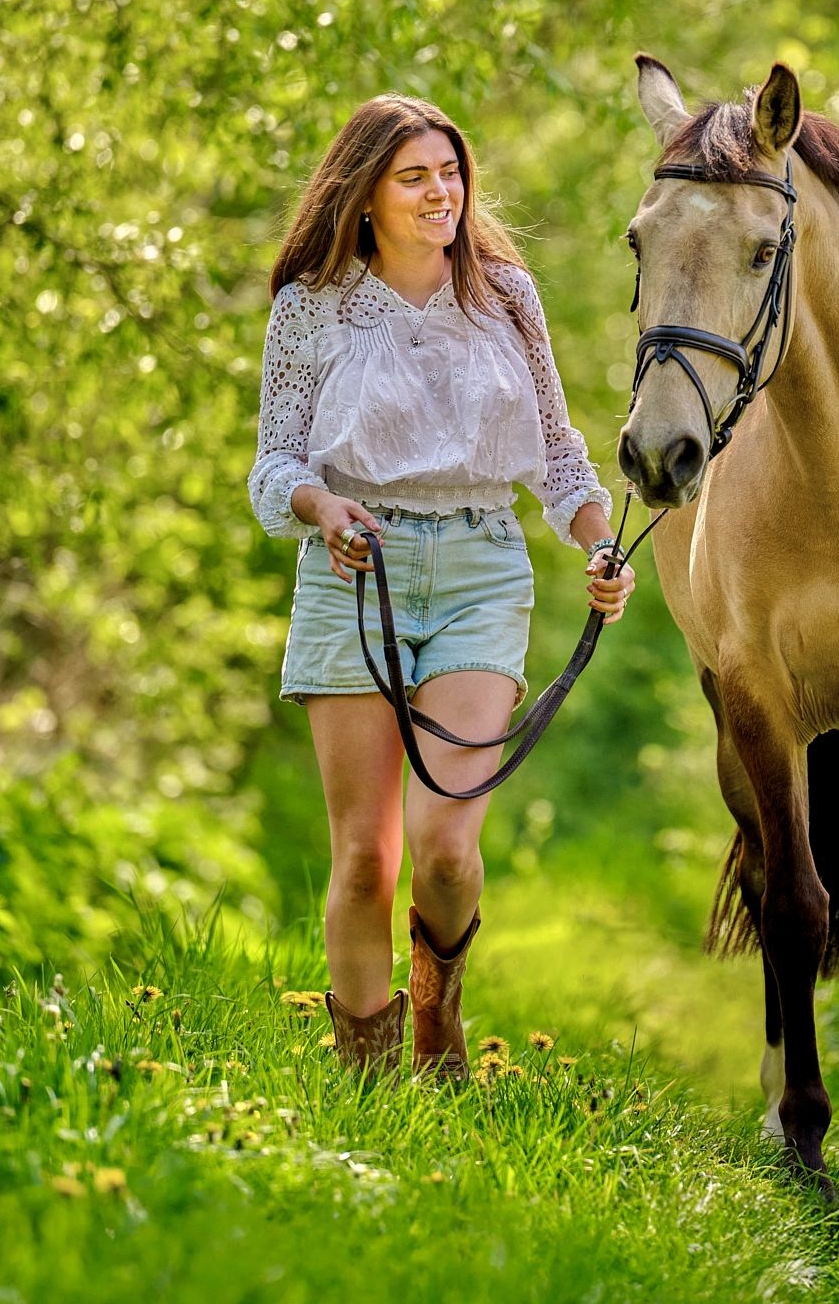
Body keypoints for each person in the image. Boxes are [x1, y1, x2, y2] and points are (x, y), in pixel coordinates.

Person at [246, 93, 636, 1081]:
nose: (440, 193)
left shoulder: (506, 296)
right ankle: (369, 1081)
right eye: (413, 176)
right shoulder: (311, 308)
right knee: (368, 859)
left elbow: (556, 456)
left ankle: (438, 1019)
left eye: (449, 172)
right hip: (354, 572)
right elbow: (273, 462)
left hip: (479, 568)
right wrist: (320, 509)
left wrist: (598, 544)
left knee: (446, 849)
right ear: (365, 195)